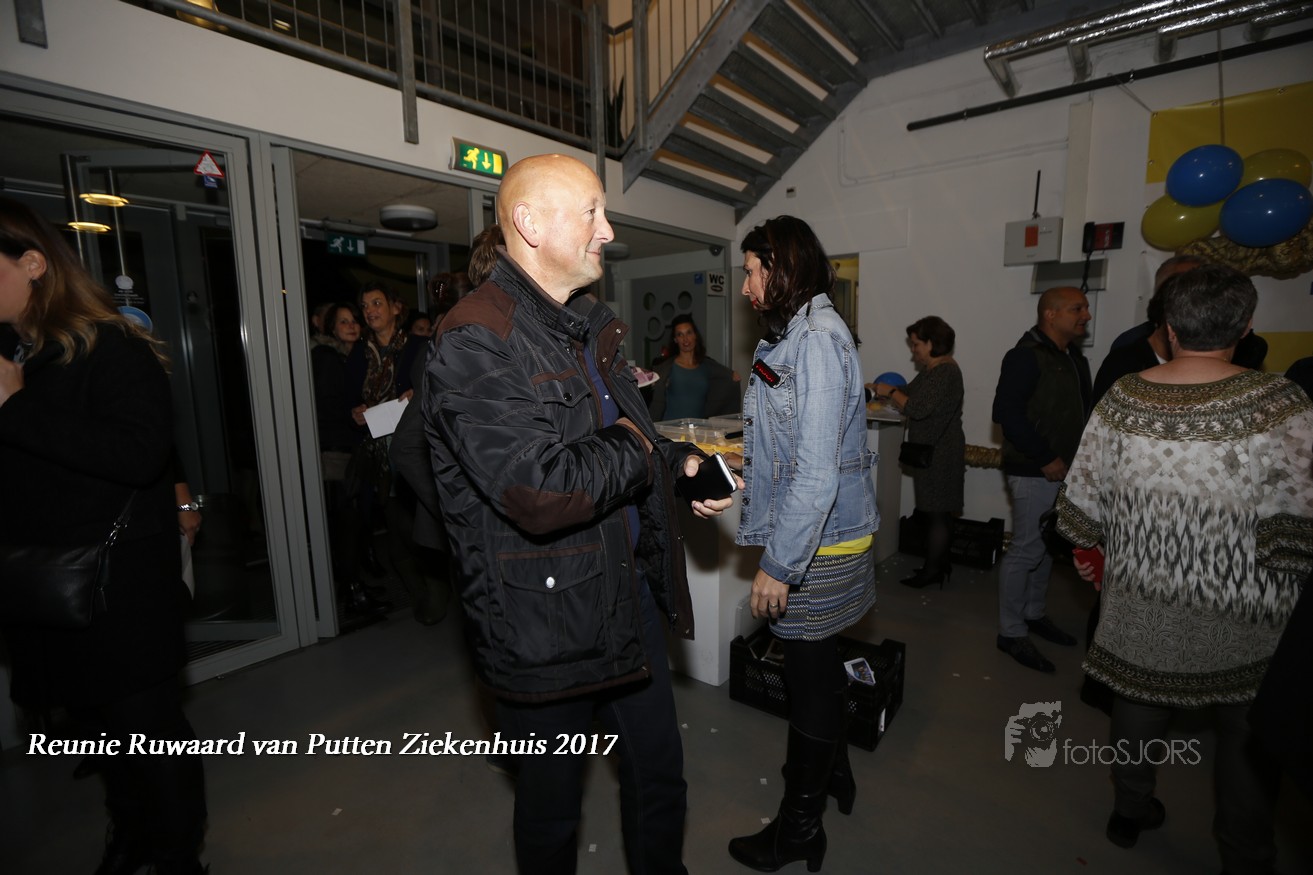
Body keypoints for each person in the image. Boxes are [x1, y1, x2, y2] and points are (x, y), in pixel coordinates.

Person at [422, 154, 734, 875]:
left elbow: (624, 440)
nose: (608, 230)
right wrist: (638, 447)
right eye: (591, 211)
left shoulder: (586, 326)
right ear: (529, 224)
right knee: (552, 810)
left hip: (625, 599)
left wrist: (676, 467)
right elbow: (539, 489)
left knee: (659, 778)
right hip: (544, 626)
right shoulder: (475, 338)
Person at [1057, 264, 1313, 868]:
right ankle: (1245, 853)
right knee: (1246, 733)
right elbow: (1300, 515)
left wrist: (1093, 552)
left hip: (1144, 594)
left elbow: (1082, 506)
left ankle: (1129, 810)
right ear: (1246, 326)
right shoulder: (1281, 402)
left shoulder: (1124, 399)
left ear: (1169, 327)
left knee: (1137, 707)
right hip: (1248, 606)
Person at [0, 196, 207, 874]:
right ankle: (131, 836)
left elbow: (140, 454)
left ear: (33, 264)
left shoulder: (109, 348)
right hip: (50, 588)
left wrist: (15, 406)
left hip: (117, 591)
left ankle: (175, 856)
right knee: (101, 736)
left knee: (148, 735)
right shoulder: (21, 355)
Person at [728, 216, 879, 873]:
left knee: (809, 683)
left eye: (751, 271)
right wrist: (745, 462)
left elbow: (816, 475)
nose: (744, 286)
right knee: (815, 674)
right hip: (827, 535)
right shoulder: (803, 332)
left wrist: (779, 566)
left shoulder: (815, 339)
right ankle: (835, 775)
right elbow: (798, 443)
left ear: (781, 266)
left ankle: (798, 831)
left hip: (817, 547)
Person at [991, 286, 1092, 672]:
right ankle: (1011, 632)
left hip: (1066, 471)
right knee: (1027, 550)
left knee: (1048, 547)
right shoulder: (1025, 355)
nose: (1086, 315)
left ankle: (1033, 614)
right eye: (1076, 309)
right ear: (1050, 314)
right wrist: (1045, 457)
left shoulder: (1073, 358)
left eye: (1085, 308)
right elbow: (1007, 413)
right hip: (1035, 469)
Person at [869, 315, 964, 589]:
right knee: (937, 513)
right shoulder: (934, 370)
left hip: (940, 453)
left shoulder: (945, 372)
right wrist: (878, 390)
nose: (914, 351)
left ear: (932, 343)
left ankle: (932, 571)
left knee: (937, 514)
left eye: (916, 344)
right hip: (934, 451)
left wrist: (890, 392)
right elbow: (909, 392)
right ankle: (938, 565)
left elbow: (917, 407)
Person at [312, 301, 390, 617]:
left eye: (354, 320)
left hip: (347, 447)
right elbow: (329, 408)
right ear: (331, 328)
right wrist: (356, 415)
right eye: (343, 322)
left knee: (353, 522)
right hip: (336, 451)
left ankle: (354, 585)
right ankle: (352, 593)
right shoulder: (327, 358)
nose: (351, 326)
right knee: (346, 523)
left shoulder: (352, 358)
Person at [1110, 254, 1267, 369]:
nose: (1189, 294)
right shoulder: (1127, 350)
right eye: (1179, 285)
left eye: (1200, 286)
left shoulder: (1248, 347)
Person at [647, 314, 740, 420]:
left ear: (695, 335)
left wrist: (732, 376)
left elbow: (727, 377)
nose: (685, 339)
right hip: (671, 428)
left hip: (699, 428)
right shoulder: (667, 368)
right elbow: (655, 399)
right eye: (680, 335)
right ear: (675, 339)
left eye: (689, 333)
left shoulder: (707, 365)